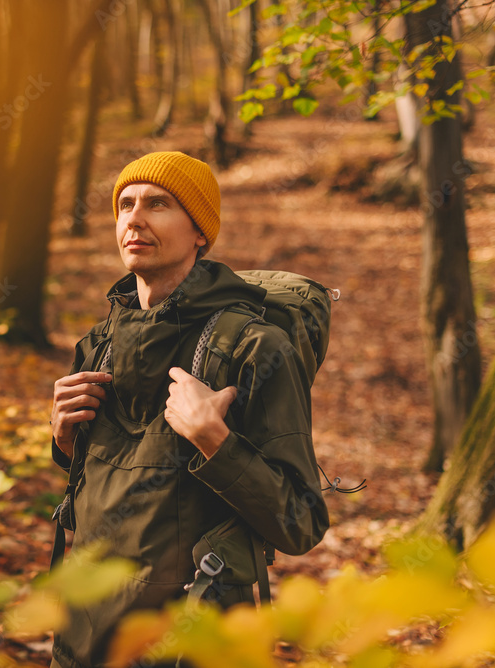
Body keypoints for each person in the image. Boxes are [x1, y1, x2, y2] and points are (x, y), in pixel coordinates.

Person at [48, 151, 330, 668]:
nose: (134, 218)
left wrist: (214, 443)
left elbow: (300, 522)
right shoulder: (100, 342)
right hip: (82, 636)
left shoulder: (255, 349)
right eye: (125, 204)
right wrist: (66, 443)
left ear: (200, 231)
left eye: (159, 204)